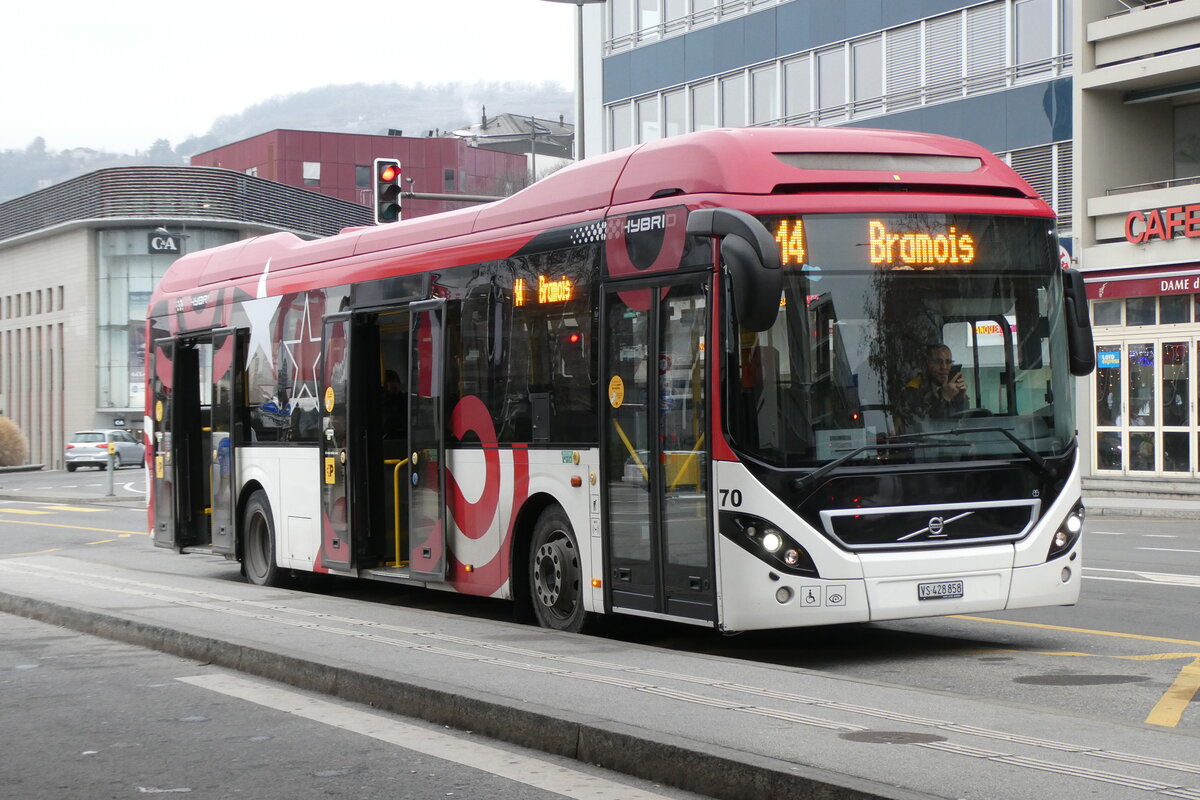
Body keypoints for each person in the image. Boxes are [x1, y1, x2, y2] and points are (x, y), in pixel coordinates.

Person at [898, 344, 968, 427]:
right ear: (928, 363)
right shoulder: (913, 389)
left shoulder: (951, 386)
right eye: (938, 362)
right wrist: (944, 397)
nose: (944, 367)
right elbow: (926, 427)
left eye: (948, 362)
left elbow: (963, 423)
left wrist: (960, 399)